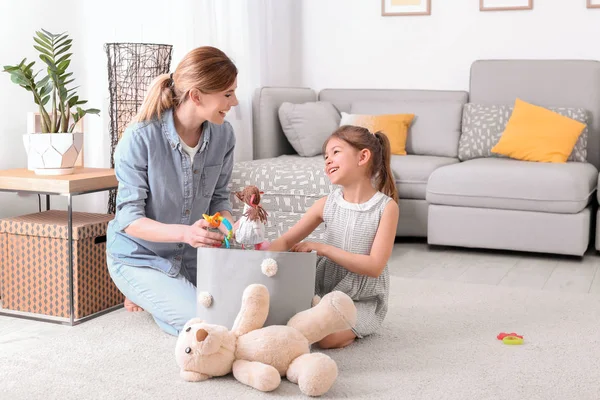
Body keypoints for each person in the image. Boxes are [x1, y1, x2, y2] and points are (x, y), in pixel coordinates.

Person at [106, 46, 239, 336]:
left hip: (193, 257)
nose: (235, 101)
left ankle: (154, 295)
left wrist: (227, 227)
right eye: (227, 94)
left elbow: (219, 197)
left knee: (246, 310)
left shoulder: (224, 135)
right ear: (196, 95)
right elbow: (129, 220)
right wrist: (186, 233)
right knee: (208, 326)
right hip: (140, 256)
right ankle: (145, 288)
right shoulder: (139, 138)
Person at [268, 125, 399, 349]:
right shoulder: (326, 204)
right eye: (326, 156)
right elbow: (287, 241)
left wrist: (323, 248)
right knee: (284, 317)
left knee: (326, 338)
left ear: (363, 156)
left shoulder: (386, 208)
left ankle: (347, 326)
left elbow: (374, 266)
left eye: (336, 152)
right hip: (322, 291)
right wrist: (257, 255)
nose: (328, 160)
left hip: (361, 299)